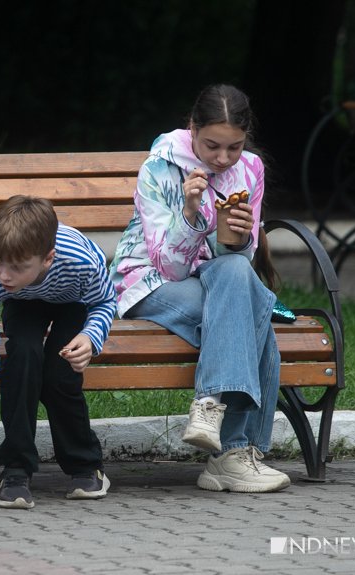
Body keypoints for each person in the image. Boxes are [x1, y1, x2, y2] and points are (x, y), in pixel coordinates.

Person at [110, 84, 290, 493]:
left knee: (240, 285)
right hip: (149, 281)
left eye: (234, 147)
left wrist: (242, 239)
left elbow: (239, 267)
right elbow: (169, 268)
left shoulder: (252, 170)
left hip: (219, 281)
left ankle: (209, 410)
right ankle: (234, 454)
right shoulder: (159, 168)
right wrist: (190, 215)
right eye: (212, 145)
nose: (223, 158)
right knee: (250, 315)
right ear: (191, 128)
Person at [0, 195, 117, 509]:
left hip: (74, 302)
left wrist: (90, 337)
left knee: (61, 372)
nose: (3, 274)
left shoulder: (81, 262)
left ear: (47, 258)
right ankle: (16, 469)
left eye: (16, 267)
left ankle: (85, 464)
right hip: (23, 303)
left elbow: (105, 302)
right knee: (23, 360)